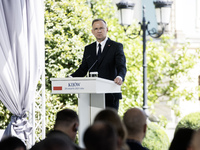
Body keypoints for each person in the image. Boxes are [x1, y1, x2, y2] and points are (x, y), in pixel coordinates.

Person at [71, 18, 127, 110]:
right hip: (92, 94)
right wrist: (71, 78)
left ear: (107, 29)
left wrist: (120, 77)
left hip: (110, 95)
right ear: (92, 31)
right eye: (96, 29)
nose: (99, 31)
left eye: (101, 28)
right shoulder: (88, 49)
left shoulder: (116, 46)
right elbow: (83, 69)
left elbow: (121, 66)